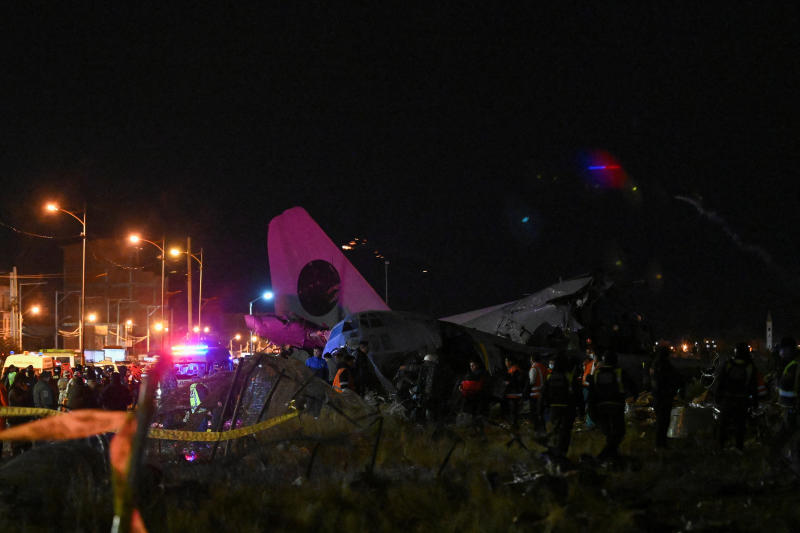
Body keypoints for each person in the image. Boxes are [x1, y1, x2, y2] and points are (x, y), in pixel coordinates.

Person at [714, 343, 759, 450]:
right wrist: (755, 402)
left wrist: (717, 396)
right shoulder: (750, 366)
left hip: (728, 398)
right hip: (742, 400)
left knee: (723, 424)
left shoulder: (728, 364)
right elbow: (753, 386)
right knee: (740, 425)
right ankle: (739, 448)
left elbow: (720, 382)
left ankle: (720, 446)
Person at [588, 350, 631, 460]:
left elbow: (592, 391)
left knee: (609, 433)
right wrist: (633, 395)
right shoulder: (620, 372)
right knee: (619, 432)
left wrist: (591, 409)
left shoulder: (597, 373)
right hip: (616, 406)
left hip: (601, 407)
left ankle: (612, 457)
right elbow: (630, 385)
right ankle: (603, 456)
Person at [543, 353, 580, 457]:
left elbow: (543, 394)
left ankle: (555, 453)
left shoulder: (551, 377)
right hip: (567, 409)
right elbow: (578, 394)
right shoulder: (569, 377)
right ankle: (562, 453)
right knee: (565, 432)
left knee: (555, 431)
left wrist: (541, 409)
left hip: (554, 409)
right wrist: (580, 410)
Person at [651, 346, 682, 449]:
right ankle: (660, 444)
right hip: (664, 398)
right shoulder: (665, 366)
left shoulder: (655, 365)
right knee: (663, 422)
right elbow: (675, 378)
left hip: (658, 397)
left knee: (661, 421)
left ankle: (660, 444)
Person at [774, 340, 800, 458]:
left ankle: (782, 460)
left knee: (786, 435)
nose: (780, 353)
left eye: (782, 350)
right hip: (789, 407)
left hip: (793, 408)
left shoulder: (794, 365)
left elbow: (788, 386)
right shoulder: (790, 364)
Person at [8, 378, 34, 456]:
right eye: (22, 383)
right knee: (17, 444)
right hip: (16, 421)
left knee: (27, 443)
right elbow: (19, 402)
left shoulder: (22, 391)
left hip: (24, 420)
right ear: (17, 383)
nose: (24, 385)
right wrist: (26, 392)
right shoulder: (13, 392)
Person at [502, 356, 526, 429]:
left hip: (513, 394)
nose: (505, 363)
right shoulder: (514, 370)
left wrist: (507, 383)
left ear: (510, 362)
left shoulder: (514, 370)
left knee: (513, 411)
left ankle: (514, 426)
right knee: (513, 412)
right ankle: (513, 425)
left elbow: (515, 382)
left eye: (506, 361)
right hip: (514, 394)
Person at [529, 353, 548, 434]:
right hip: (543, 393)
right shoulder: (544, 367)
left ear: (532, 359)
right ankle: (543, 429)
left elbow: (532, 381)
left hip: (535, 395)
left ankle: (537, 430)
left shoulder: (533, 368)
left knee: (535, 413)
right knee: (542, 413)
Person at [581, 350, 598, 429]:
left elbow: (590, 377)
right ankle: (589, 422)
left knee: (589, 405)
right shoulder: (586, 366)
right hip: (585, 387)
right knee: (587, 406)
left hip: (589, 388)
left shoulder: (592, 364)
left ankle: (590, 424)